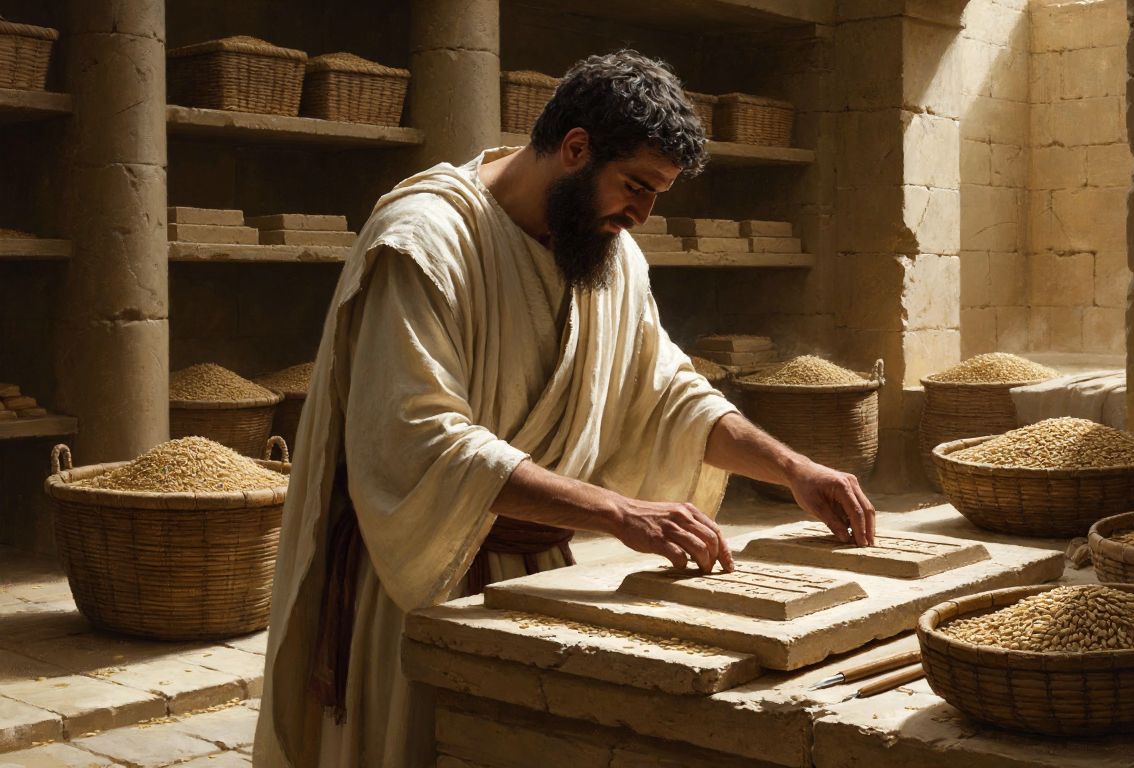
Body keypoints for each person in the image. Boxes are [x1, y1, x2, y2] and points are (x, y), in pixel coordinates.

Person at [253, 49, 877, 767]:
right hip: (418, 578)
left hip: (543, 567)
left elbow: (667, 391)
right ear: (575, 148)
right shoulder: (426, 240)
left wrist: (793, 470)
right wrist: (619, 512)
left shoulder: (609, 256)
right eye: (636, 187)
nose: (642, 215)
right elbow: (421, 438)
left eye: (658, 196)